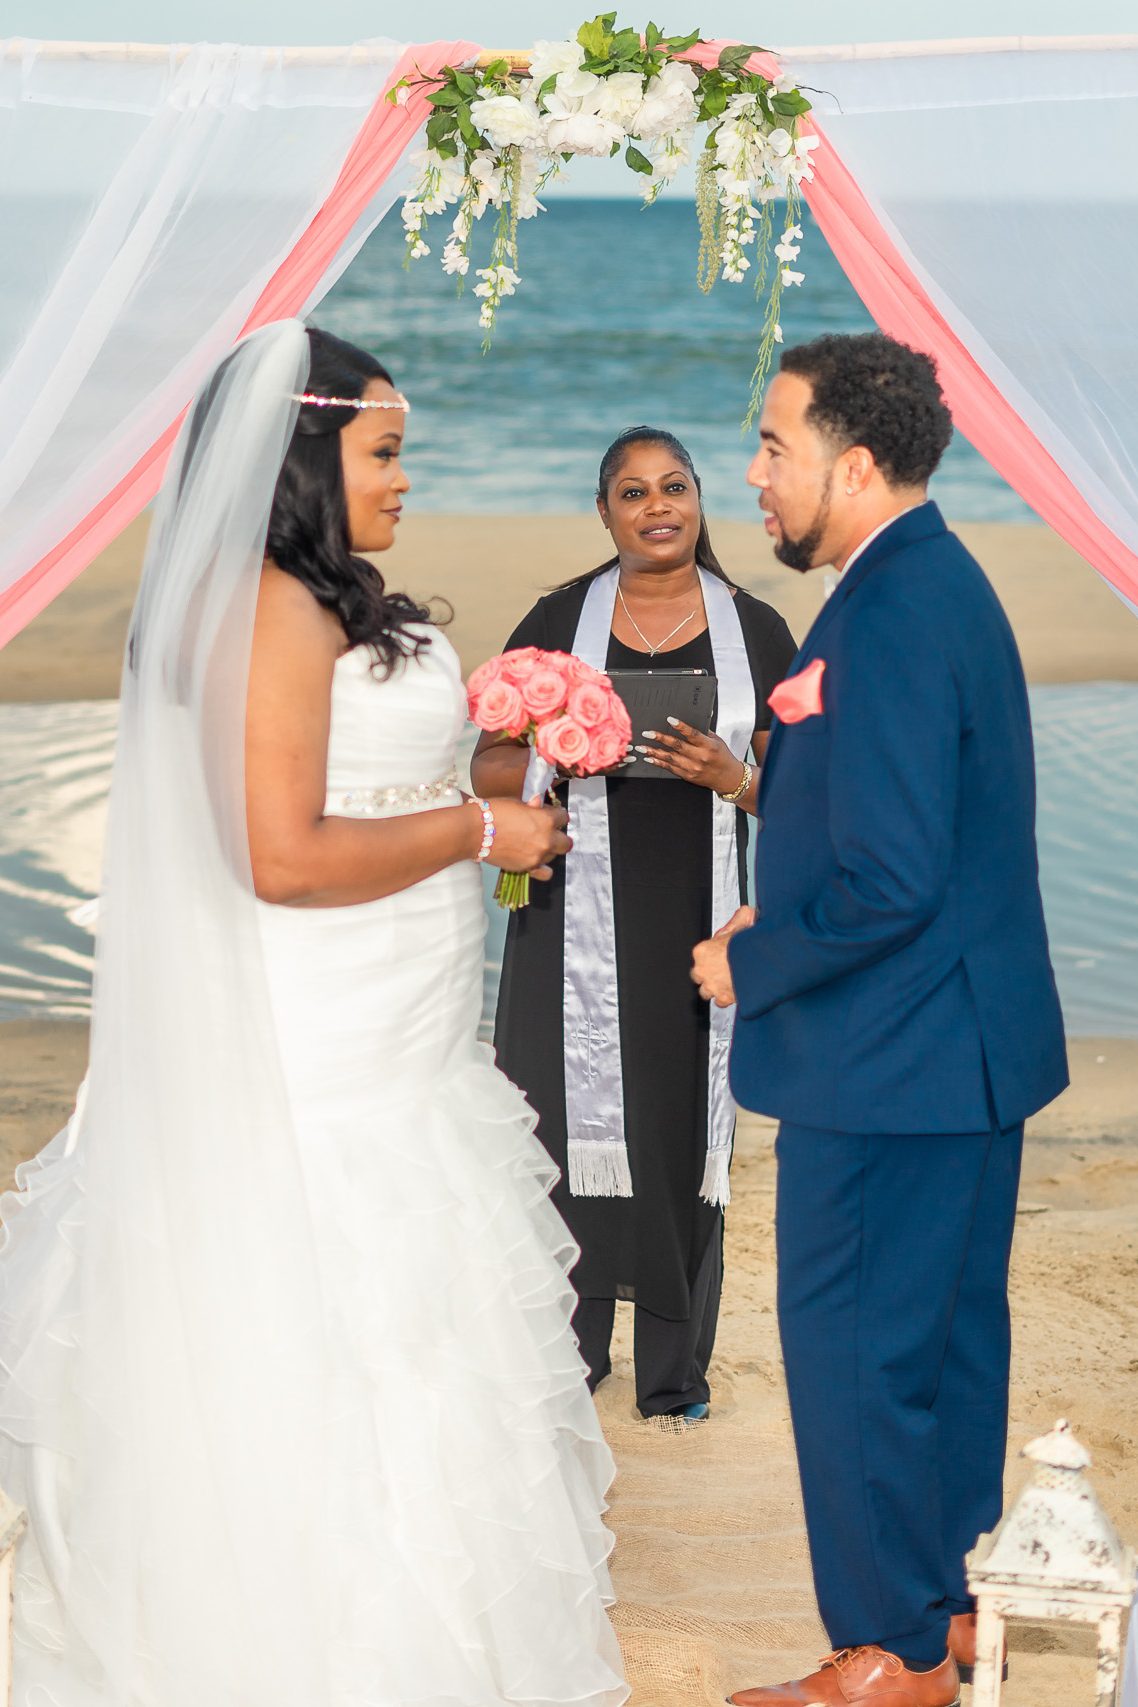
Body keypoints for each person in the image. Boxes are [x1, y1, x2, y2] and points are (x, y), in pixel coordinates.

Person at [0, 322, 629, 1707]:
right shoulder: (272, 607)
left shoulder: (308, 595)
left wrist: (493, 753)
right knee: (353, 1329)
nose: (408, 478)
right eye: (384, 451)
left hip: (398, 1030)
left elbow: (347, 781)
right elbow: (277, 854)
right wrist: (484, 827)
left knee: (409, 1338)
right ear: (301, 453)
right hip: (325, 1048)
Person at [691, 333, 1069, 1707]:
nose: (754, 472)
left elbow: (892, 875)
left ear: (853, 463)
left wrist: (755, 959)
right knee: (943, 1347)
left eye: (775, 446)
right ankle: (949, 1615)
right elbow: (905, 842)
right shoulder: (928, 579)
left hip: (890, 1058)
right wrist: (773, 909)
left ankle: (888, 1652)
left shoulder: (894, 608)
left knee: (855, 1356)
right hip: (953, 1049)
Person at [473, 427, 796, 1424]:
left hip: (694, 925)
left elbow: (809, 794)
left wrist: (731, 774)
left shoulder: (760, 631)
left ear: (700, 500)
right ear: (603, 512)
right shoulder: (558, 618)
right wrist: (549, 762)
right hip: (569, 911)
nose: (657, 508)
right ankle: (569, 1362)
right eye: (631, 492)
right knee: (557, 1132)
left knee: (675, 1139)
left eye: (675, 487)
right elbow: (486, 766)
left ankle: (671, 1375)